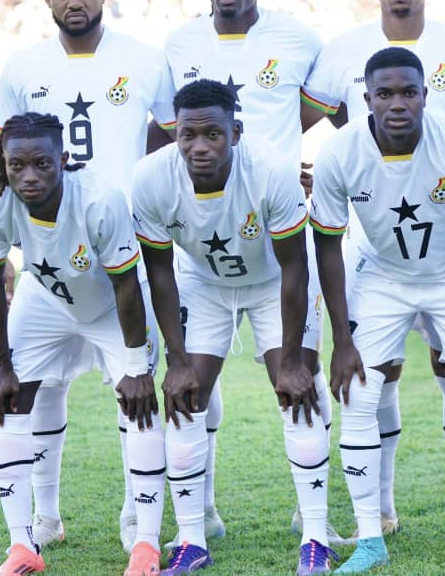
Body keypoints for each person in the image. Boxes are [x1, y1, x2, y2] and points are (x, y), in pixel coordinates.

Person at [304, 0, 445, 544]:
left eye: (409, 93)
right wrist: (341, 339)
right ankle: (373, 528)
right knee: (363, 390)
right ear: (364, 98)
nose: (397, 103)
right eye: (384, 94)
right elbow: (326, 243)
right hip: (382, 273)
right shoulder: (341, 145)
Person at [0, 0, 176, 552]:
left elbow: (173, 137)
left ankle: (136, 520)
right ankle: (44, 519)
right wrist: (12, 252)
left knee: (137, 388)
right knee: (38, 386)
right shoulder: (23, 66)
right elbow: (6, 157)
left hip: (122, 256)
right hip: (48, 263)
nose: (75, 1)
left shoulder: (145, 59)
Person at [160, 0, 332, 545]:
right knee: (192, 381)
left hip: (277, 236)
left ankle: (313, 520)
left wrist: (280, 170)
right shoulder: (179, 43)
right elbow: (172, 130)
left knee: (302, 374)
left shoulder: (298, 38)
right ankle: (200, 516)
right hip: (203, 248)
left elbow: (320, 109)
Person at [133, 79, 333, 575]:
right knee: (184, 395)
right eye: (187, 135)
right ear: (175, 134)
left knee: (298, 388)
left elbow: (295, 266)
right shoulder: (151, 178)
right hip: (203, 284)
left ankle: (315, 536)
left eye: (213, 135)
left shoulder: (270, 171)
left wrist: (292, 361)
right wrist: (177, 360)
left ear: (235, 133)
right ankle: (192, 539)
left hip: (273, 283)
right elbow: (160, 272)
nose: (199, 147)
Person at [0, 112, 166, 576]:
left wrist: (136, 366)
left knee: (138, 403)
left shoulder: (100, 200)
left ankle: (146, 543)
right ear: (3, 163)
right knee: (11, 400)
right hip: (45, 296)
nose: (29, 176)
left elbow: (125, 285)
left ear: (63, 159)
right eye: (16, 165)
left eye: (41, 163)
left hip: (113, 304)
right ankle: (23, 545)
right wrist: (1, 366)